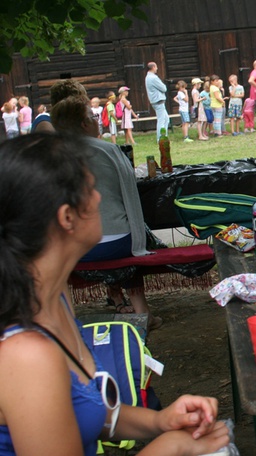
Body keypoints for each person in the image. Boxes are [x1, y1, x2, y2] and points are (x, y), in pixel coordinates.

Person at [0, 133, 230, 455]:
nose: (97, 199)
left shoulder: (56, 301)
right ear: (66, 217)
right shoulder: (26, 355)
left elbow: (90, 413)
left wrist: (160, 421)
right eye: (90, 189)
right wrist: (171, 447)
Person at [51, 95, 163, 329]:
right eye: (93, 116)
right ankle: (143, 313)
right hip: (118, 241)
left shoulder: (47, 156)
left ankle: (63, 317)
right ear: (83, 124)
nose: (97, 120)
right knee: (127, 231)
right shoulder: (109, 150)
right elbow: (131, 198)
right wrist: (139, 242)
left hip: (72, 248)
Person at [145, 62, 168, 143]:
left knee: (166, 119)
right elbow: (164, 88)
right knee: (161, 121)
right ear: (153, 67)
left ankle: (164, 136)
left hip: (156, 101)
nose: (157, 68)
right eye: (156, 67)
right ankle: (160, 139)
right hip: (158, 101)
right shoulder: (153, 78)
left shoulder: (148, 77)